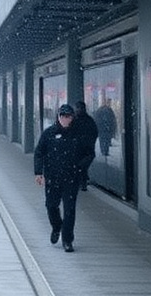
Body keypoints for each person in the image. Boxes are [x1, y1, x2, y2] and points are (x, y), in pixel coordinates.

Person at [34, 104, 93, 252]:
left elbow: (89, 153)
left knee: (69, 209)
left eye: (68, 116)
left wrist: (79, 168)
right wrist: (38, 172)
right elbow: (39, 152)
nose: (65, 119)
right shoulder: (49, 134)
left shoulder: (78, 135)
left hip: (71, 178)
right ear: (58, 117)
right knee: (51, 205)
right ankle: (56, 226)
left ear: (72, 118)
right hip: (52, 177)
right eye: (62, 116)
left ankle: (67, 240)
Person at [74, 101, 98, 191]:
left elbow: (94, 133)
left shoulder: (86, 120)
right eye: (77, 108)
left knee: (81, 166)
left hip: (85, 149)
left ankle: (82, 182)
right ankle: (82, 182)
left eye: (80, 108)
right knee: (81, 166)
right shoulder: (87, 120)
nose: (78, 110)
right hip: (81, 148)